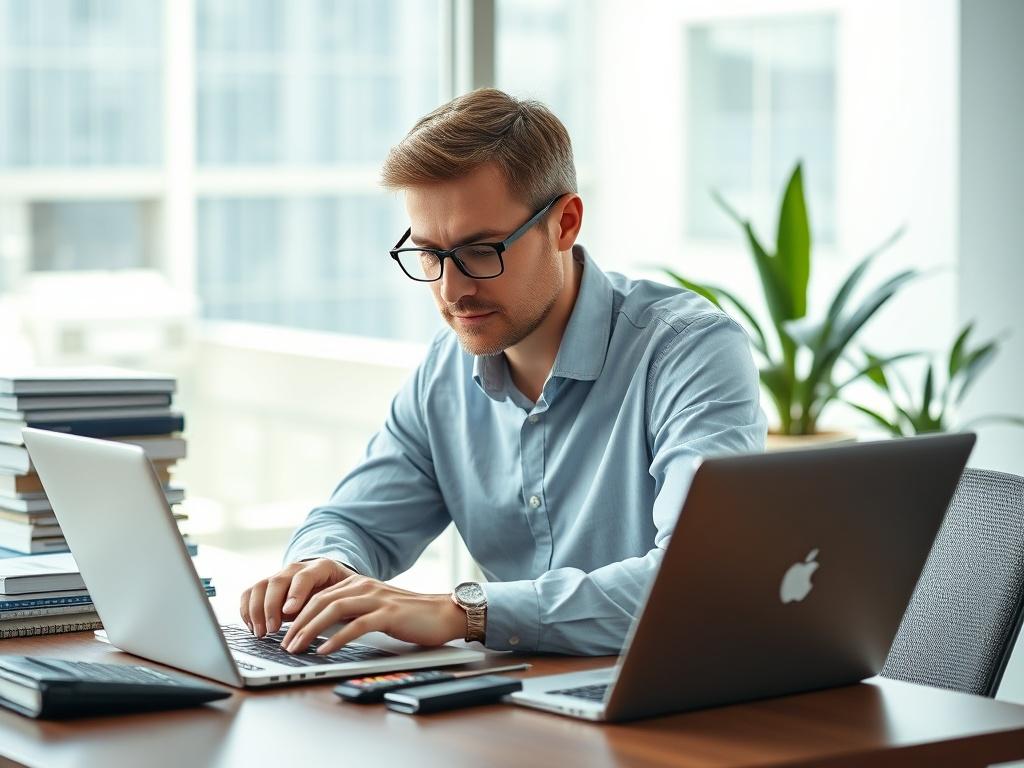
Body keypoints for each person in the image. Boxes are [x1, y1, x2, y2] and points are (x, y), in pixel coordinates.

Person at [239, 88, 766, 657]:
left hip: (672, 704)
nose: (452, 290)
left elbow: (697, 581)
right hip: (519, 703)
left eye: (481, 251)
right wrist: (323, 570)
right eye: (430, 254)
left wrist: (466, 613)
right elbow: (357, 522)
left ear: (564, 223)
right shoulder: (446, 367)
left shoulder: (690, 352)